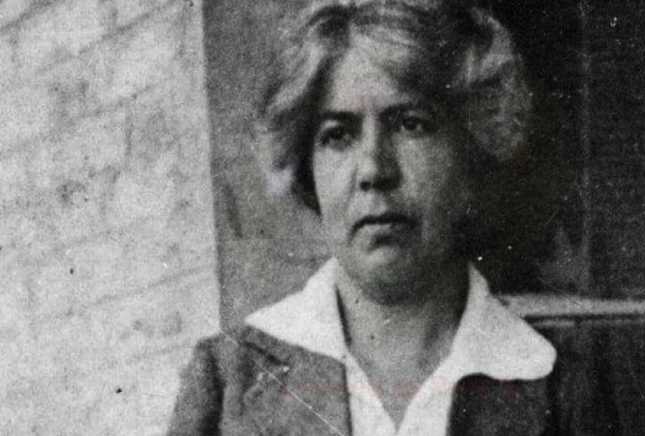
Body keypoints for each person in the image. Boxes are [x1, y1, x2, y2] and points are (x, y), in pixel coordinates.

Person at [168, 1, 561, 434]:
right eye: (338, 135)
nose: (374, 169)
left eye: (411, 124)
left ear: (471, 150)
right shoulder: (227, 382)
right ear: (307, 170)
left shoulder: (564, 384)